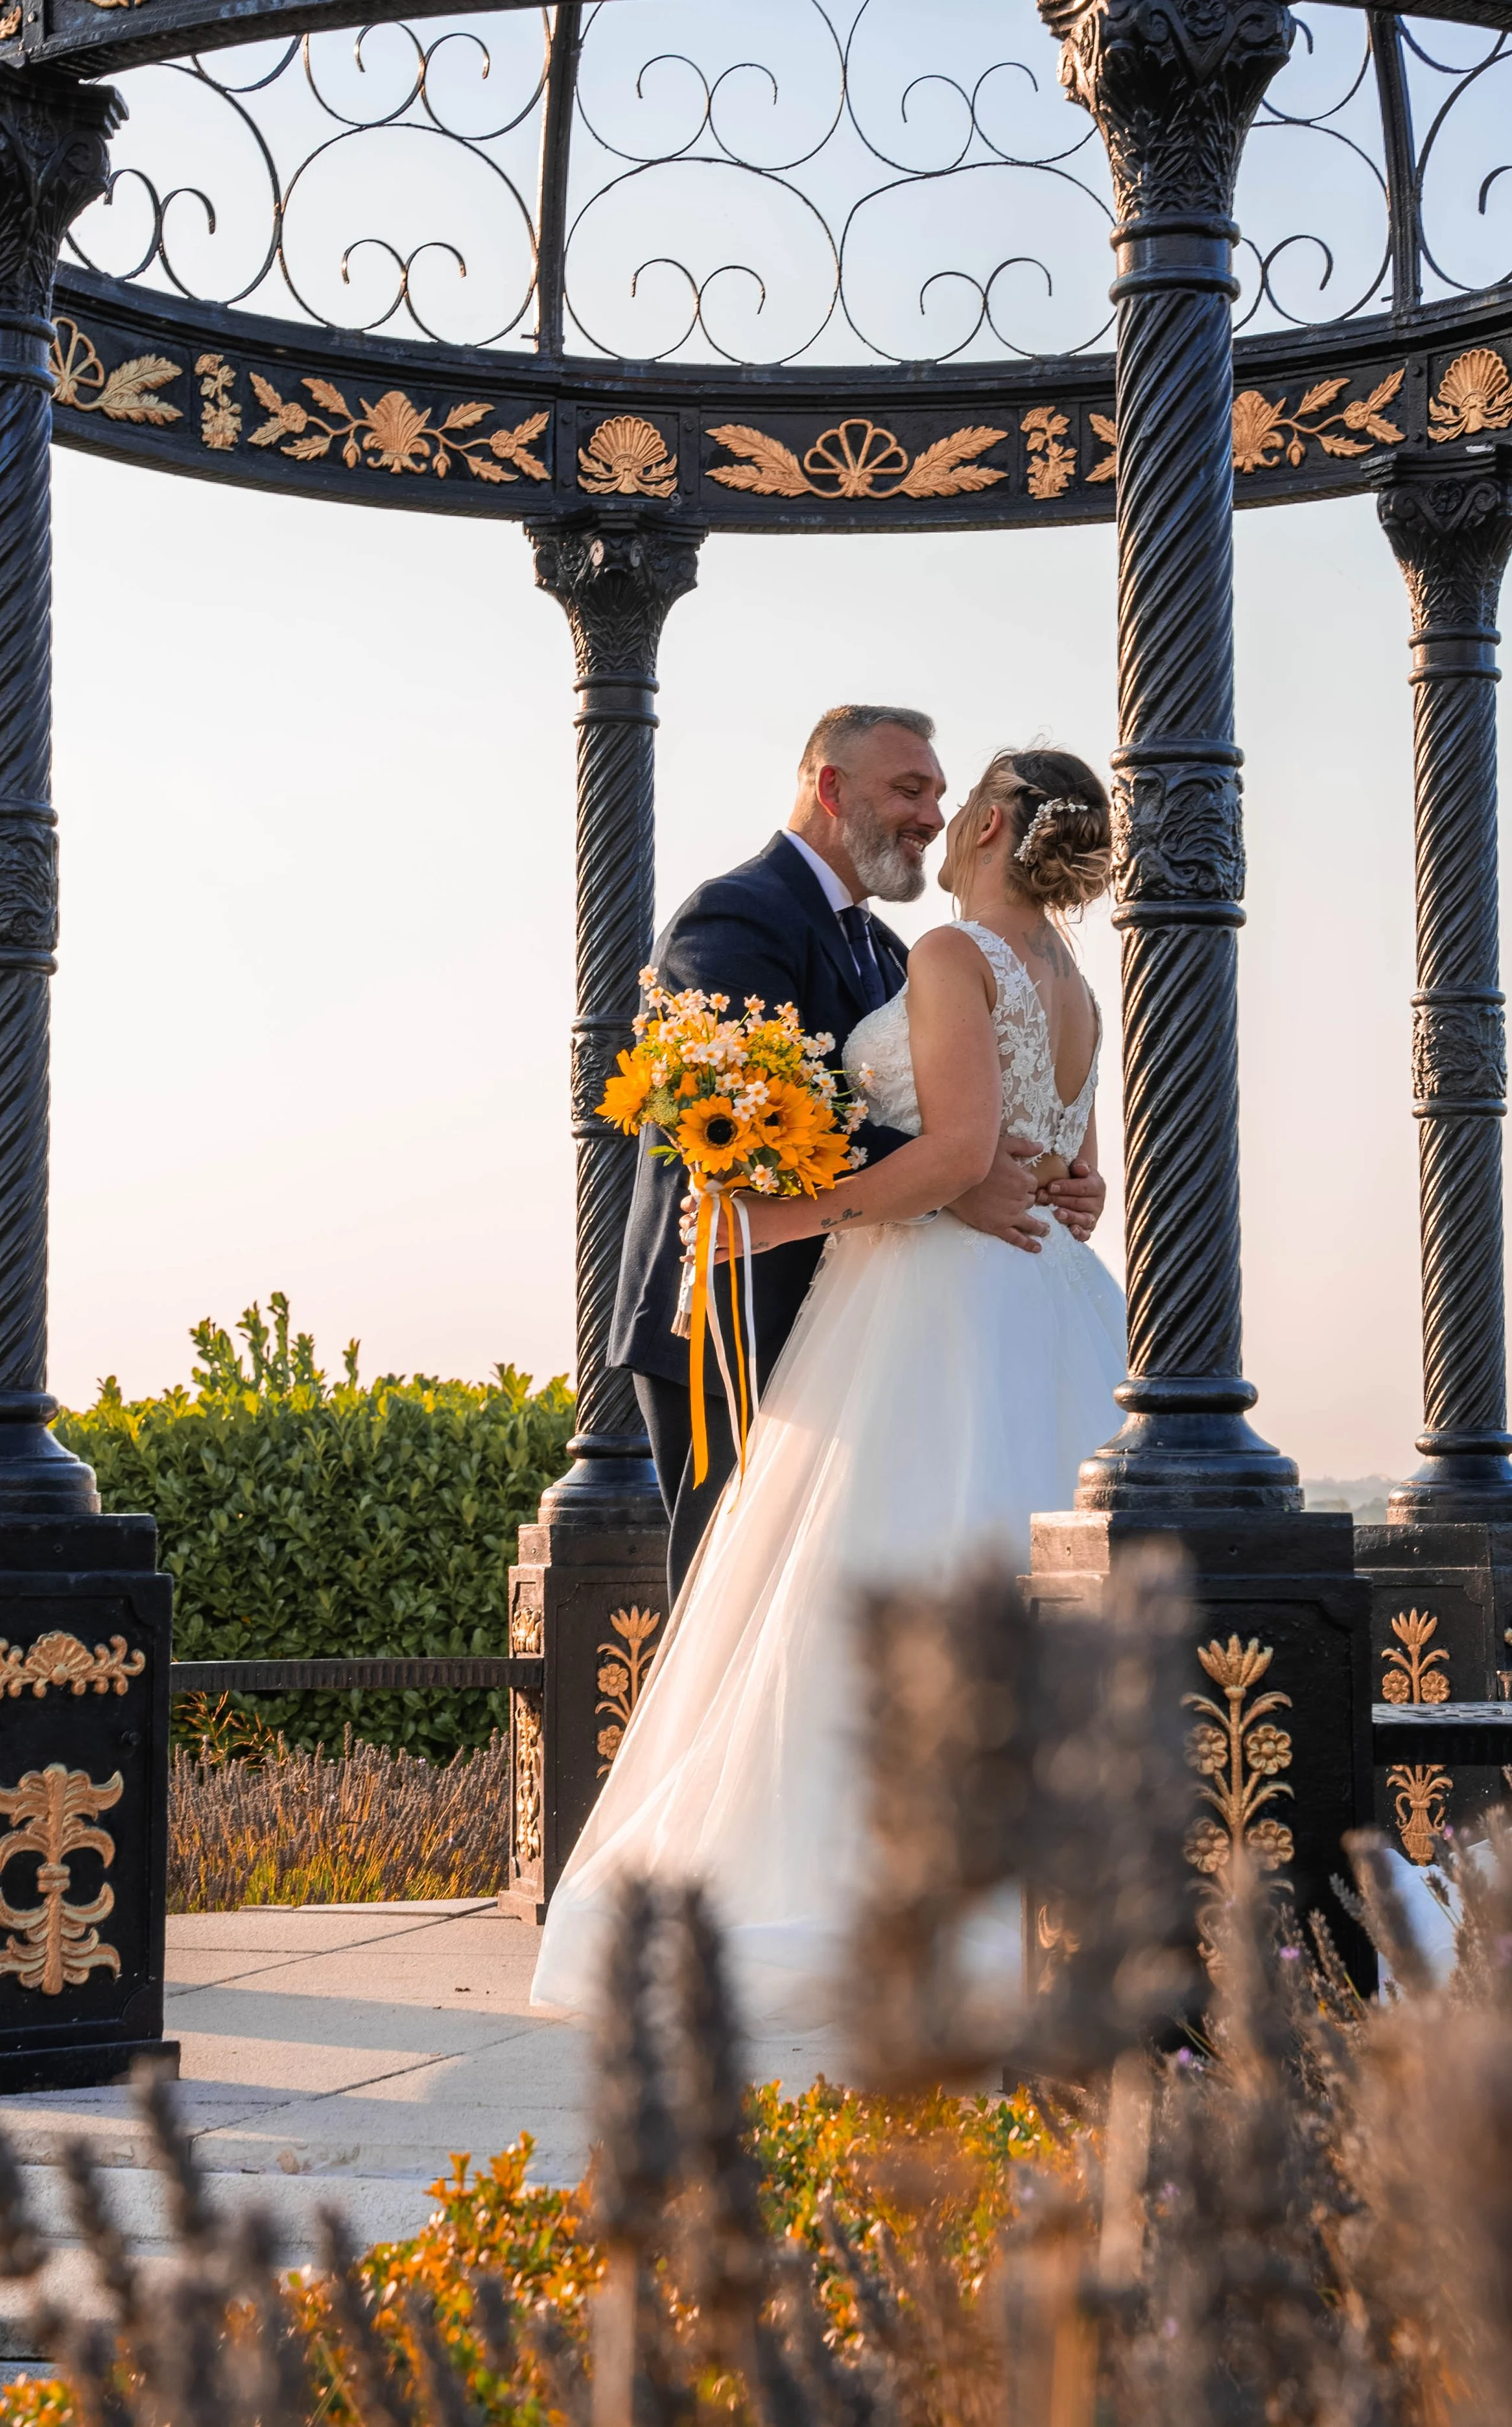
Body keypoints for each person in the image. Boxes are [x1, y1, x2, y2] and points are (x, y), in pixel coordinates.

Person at [532, 746, 1128, 2030]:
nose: (936, 813)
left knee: (867, 1578)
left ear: (987, 826)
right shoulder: (1074, 982)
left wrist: (788, 1216)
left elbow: (962, 1154)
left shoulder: (949, 957)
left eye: (949, 796)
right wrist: (1050, 1190)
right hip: (1049, 1298)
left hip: (930, 1297)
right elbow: (1072, 1177)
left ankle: (871, 1877)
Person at [610, 707, 1105, 1605]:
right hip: (739, 1308)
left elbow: (956, 1107)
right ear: (830, 787)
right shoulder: (737, 913)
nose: (929, 814)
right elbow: (747, 1109)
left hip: (874, 1317)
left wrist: (1046, 1173)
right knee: (736, 1603)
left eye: (941, 796)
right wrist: (959, 1179)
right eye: (909, 789)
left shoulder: (894, 950)